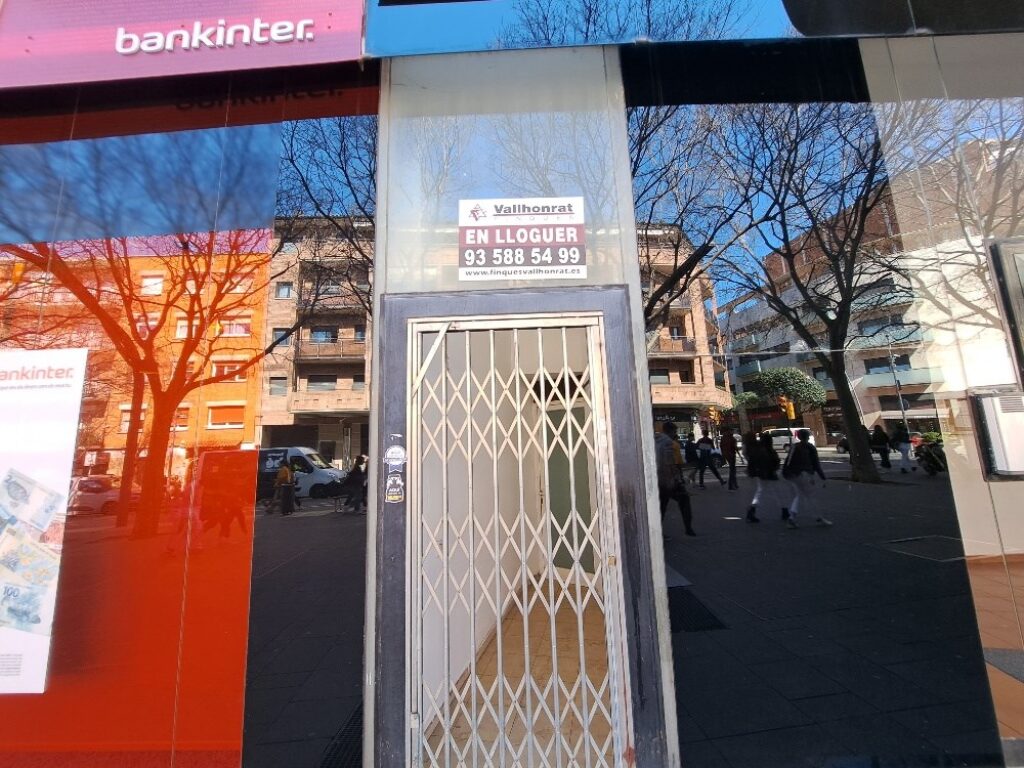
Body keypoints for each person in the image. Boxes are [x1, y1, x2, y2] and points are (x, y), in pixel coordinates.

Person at [782, 429, 832, 527]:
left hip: (793, 474)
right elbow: (816, 464)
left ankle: (793, 517)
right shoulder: (810, 447)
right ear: (807, 437)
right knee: (809, 496)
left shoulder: (794, 446)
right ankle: (817, 517)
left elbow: (788, 461)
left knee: (800, 495)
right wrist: (823, 477)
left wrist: (786, 472)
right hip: (805, 474)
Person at [654, 422, 696, 537]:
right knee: (684, 500)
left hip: (656, 479)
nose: (675, 434)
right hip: (668, 480)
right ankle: (688, 528)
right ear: (671, 431)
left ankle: (657, 533)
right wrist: (677, 479)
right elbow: (671, 463)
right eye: (675, 432)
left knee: (662, 506)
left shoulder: (654, 440)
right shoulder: (669, 443)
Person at [745, 432, 789, 524]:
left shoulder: (759, 450)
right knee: (777, 492)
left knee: (760, 492)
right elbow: (774, 462)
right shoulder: (769, 450)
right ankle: (784, 510)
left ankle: (752, 510)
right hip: (769, 474)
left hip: (762, 474)